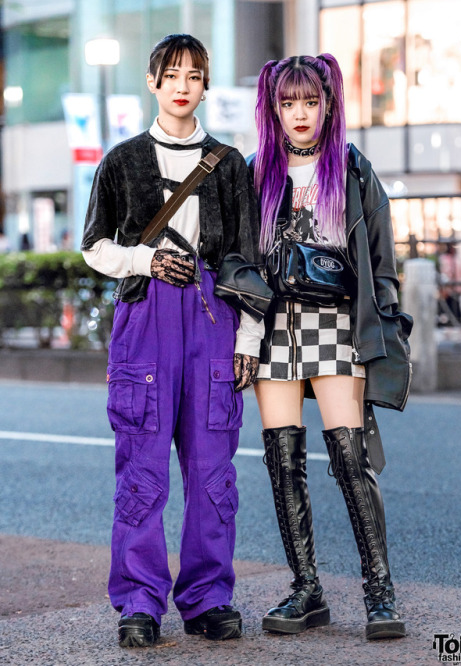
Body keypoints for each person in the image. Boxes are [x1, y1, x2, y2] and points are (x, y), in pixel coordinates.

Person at [81, 34, 262, 648]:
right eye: (171, 74)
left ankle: (210, 597)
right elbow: (94, 246)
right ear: (153, 82)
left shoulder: (230, 164)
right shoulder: (122, 161)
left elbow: (247, 257)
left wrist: (250, 338)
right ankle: (139, 601)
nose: (183, 85)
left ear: (206, 85)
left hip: (214, 316)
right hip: (145, 315)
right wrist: (143, 259)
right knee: (142, 466)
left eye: (194, 75)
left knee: (214, 469)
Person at [249, 54, 410, 640]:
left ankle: (379, 590)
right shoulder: (255, 173)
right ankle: (306, 588)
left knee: (350, 456)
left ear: (328, 104)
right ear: (273, 108)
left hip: (336, 326)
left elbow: (384, 263)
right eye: (288, 103)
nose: (299, 114)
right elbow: (238, 259)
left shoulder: (353, 170)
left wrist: (385, 327)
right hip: (273, 331)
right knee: (282, 459)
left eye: (309, 101)